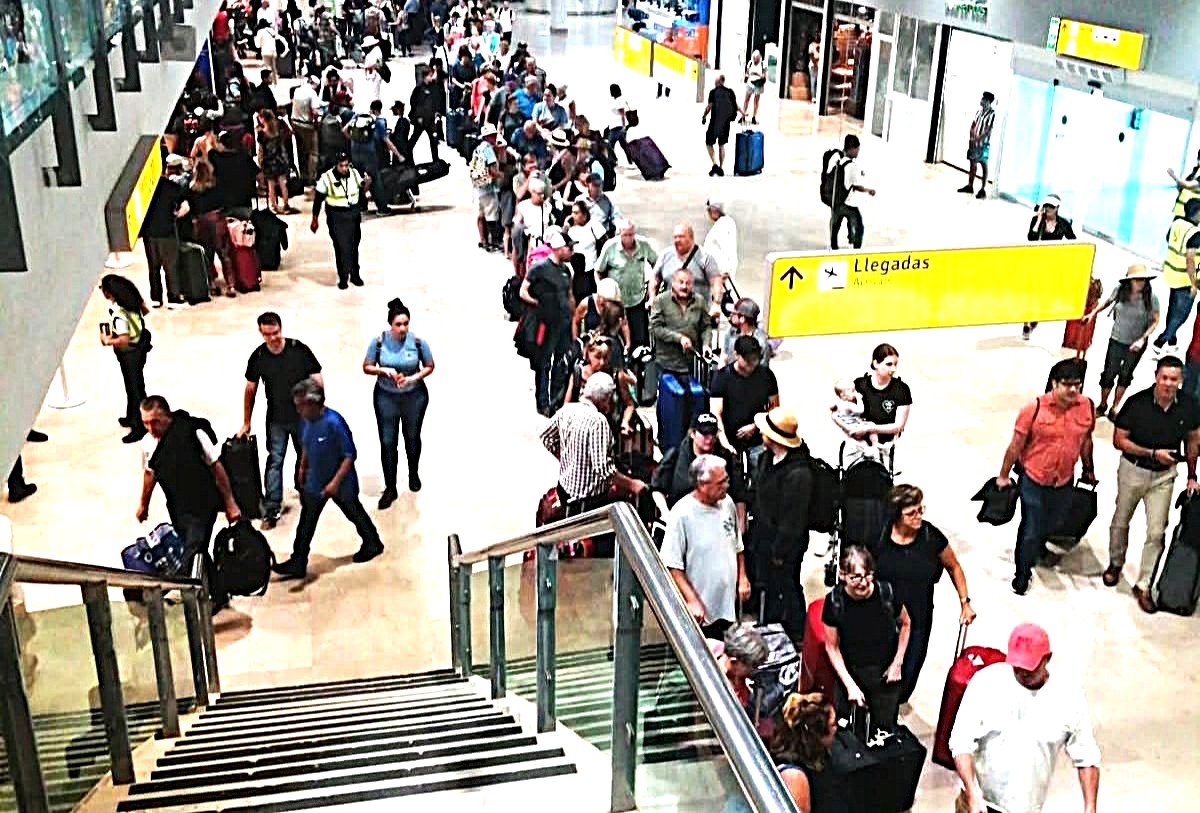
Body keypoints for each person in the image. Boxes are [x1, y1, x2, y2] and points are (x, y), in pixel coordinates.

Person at [950, 623, 1100, 813]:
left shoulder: (1068, 697)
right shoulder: (986, 682)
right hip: (978, 801)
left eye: (1029, 669)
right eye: (1016, 667)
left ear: (1047, 659)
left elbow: (1087, 757)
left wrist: (1090, 806)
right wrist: (972, 792)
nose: (1021, 673)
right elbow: (960, 741)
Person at [1102, 355, 1200, 613]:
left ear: (1181, 381)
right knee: (1120, 520)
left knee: (1157, 531)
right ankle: (1115, 563)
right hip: (1133, 470)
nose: (1168, 384)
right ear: (1156, 376)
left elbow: (1193, 440)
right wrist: (1152, 453)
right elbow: (1119, 440)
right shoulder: (1137, 404)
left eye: (1174, 379)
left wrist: (1192, 474)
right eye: (1164, 378)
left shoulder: (1189, 407)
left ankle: (1144, 584)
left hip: (1164, 477)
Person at [996, 359, 1097, 596]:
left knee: (1054, 522)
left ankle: (1039, 546)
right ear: (1054, 383)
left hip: (1064, 481)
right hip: (1033, 480)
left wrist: (1088, 468)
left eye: (1077, 385)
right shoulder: (1033, 410)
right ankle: (1022, 573)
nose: (1073, 390)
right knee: (1031, 527)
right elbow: (1015, 446)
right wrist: (1003, 475)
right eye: (1067, 384)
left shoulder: (1086, 407)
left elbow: (1086, 441)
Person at [273, 378, 385, 579]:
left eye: (300, 406)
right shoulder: (307, 421)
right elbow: (306, 444)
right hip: (315, 481)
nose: (297, 410)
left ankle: (372, 542)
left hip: (340, 483)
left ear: (313, 404)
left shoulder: (334, 423)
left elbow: (349, 455)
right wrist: (302, 467)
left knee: (354, 512)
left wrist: (335, 483)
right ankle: (298, 560)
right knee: (306, 522)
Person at [877, 484, 975, 703]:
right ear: (897, 515)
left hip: (918, 613)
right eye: (911, 513)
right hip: (883, 612)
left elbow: (954, 567)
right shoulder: (880, 534)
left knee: (910, 667)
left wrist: (964, 602)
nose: (918, 516)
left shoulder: (931, 537)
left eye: (921, 510)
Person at [136, 395, 242, 598]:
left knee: (193, 553)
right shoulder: (148, 444)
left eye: (155, 422)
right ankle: (218, 593)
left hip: (203, 503)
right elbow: (150, 474)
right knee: (198, 552)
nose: (151, 428)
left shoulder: (192, 432)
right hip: (178, 507)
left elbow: (216, 467)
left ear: (167, 417)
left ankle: (176, 591)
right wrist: (143, 505)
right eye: (145, 423)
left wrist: (230, 503)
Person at [240, 312, 323, 530]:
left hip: (302, 417)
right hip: (276, 417)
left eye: (275, 333)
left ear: (281, 329)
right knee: (275, 460)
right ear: (261, 332)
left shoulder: (298, 350)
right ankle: (272, 507)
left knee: (306, 456)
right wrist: (246, 422)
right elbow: (251, 389)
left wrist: (318, 409)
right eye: (267, 334)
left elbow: (316, 377)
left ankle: (305, 491)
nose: (273, 338)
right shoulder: (259, 357)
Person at [822, 544, 910, 733]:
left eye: (868, 575)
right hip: (851, 671)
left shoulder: (887, 593)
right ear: (842, 575)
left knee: (883, 729)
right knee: (845, 730)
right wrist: (850, 685)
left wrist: (897, 663)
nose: (863, 583)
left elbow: (906, 624)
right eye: (855, 577)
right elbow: (832, 647)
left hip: (885, 673)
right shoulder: (835, 603)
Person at [660, 454, 749, 640]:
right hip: (700, 610)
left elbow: (737, 545)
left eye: (726, 480)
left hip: (728, 604)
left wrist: (742, 577)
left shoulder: (727, 503)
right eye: (721, 483)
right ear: (702, 484)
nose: (726, 486)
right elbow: (672, 565)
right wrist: (691, 600)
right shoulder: (681, 514)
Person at [540, 372, 647, 521]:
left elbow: (545, 436)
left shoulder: (567, 410)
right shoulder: (598, 422)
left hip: (565, 491)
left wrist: (566, 458)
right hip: (588, 501)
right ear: (605, 398)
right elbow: (604, 470)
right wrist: (633, 485)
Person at [747, 407, 814, 638]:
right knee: (769, 584)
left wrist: (779, 551)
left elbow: (793, 521)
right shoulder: (767, 458)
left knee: (788, 585)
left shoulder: (799, 475)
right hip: (764, 535)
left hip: (785, 545)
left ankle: (796, 631)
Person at [362, 299, 435, 505]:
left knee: (412, 437)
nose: (403, 328)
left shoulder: (418, 342)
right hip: (386, 396)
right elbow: (367, 366)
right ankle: (390, 486)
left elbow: (429, 365)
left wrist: (413, 378)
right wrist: (383, 370)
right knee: (387, 441)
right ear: (390, 325)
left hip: (414, 396)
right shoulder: (378, 342)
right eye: (398, 324)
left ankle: (413, 473)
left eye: (405, 323)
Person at [1082, 264, 1160, 417]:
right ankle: (1103, 404)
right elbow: (1107, 302)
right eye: (1137, 280)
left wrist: (1142, 339)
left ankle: (1115, 407)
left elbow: (1155, 320)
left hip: (1136, 344)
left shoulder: (1151, 298)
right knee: (1109, 373)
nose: (1141, 283)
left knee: (1126, 375)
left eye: (1143, 280)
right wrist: (1092, 314)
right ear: (1129, 281)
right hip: (1117, 339)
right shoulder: (1120, 290)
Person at [521, 229, 576, 416]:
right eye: (569, 248)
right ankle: (542, 402)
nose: (572, 252)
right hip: (545, 324)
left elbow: (570, 296)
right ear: (559, 249)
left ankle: (556, 401)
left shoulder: (566, 271)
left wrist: (574, 319)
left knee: (561, 364)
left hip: (563, 324)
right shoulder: (539, 268)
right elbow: (523, 291)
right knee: (543, 364)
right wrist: (538, 305)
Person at [764, 692, 846, 813]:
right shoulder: (794, 776)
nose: (836, 728)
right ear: (817, 735)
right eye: (833, 724)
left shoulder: (822, 758)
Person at [650, 268, 712, 427]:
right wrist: (678, 338)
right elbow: (655, 328)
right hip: (666, 364)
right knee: (669, 403)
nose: (684, 286)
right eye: (681, 282)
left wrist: (706, 344)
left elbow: (706, 326)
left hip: (690, 364)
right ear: (673, 283)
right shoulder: (661, 301)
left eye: (688, 283)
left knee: (691, 401)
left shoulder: (699, 301)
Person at [711, 334, 780, 473]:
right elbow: (716, 413)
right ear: (736, 355)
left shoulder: (766, 376)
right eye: (748, 360)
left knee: (760, 472)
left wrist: (757, 425)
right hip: (729, 437)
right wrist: (724, 441)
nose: (752, 364)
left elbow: (774, 409)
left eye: (755, 360)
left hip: (758, 438)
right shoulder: (722, 378)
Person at [652, 412, 743, 512]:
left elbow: (739, 497)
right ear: (692, 433)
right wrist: (666, 513)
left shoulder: (727, 459)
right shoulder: (676, 455)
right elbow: (657, 488)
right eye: (704, 434)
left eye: (712, 433)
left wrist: (741, 526)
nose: (709, 438)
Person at [99, 275, 152, 443]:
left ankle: (139, 425)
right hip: (139, 347)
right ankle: (132, 416)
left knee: (134, 389)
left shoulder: (119, 314)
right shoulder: (132, 302)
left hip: (129, 353)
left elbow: (123, 339)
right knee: (135, 386)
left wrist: (107, 341)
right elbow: (145, 311)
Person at [595, 219, 657, 349]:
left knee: (640, 341)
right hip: (615, 303)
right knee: (616, 339)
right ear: (619, 234)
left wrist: (652, 294)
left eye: (631, 234)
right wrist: (602, 291)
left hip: (637, 300)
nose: (628, 238)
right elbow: (598, 271)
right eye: (624, 235)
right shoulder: (610, 247)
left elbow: (657, 265)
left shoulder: (643, 245)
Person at [311, 152, 369, 289]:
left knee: (354, 245)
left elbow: (361, 189)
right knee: (341, 247)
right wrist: (315, 219)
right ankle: (343, 277)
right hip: (336, 215)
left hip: (353, 214)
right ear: (336, 165)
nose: (344, 168)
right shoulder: (326, 178)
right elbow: (318, 199)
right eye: (341, 166)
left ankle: (355, 274)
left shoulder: (354, 173)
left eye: (346, 165)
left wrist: (366, 186)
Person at [1150, 198, 1200, 356]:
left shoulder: (1177, 223)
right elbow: (1190, 259)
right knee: (1181, 316)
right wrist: (1193, 283)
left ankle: (1172, 342)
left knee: (1173, 311)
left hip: (1172, 274)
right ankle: (1160, 342)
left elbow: (1169, 240)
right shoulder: (1195, 233)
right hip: (1185, 279)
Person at [1022, 194, 1077, 339]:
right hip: (1035, 262)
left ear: (1057, 208)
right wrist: (1039, 219)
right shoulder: (1037, 220)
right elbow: (1031, 238)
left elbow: (1073, 241)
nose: (1048, 209)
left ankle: (1035, 317)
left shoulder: (1064, 224)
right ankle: (1026, 323)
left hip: (1052, 265)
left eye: (1051, 207)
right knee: (1031, 292)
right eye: (1046, 206)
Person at [141, 161, 191, 308]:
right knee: (171, 265)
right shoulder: (171, 187)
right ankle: (173, 298)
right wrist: (175, 216)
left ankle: (156, 297)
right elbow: (185, 206)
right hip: (166, 230)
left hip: (148, 232)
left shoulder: (145, 188)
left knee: (153, 266)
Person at [347, 99, 404, 214]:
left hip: (355, 152)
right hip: (368, 154)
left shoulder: (357, 116)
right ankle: (383, 208)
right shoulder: (379, 121)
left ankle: (361, 206)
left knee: (358, 179)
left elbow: (344, 130)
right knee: (376, 180)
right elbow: (386, 140)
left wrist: (354, 141)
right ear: (380, 109)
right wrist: (398, 155)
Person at [653, 222, 723, 316]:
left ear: (691, 237)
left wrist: (716, 303)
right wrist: (652, 299)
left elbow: (716, 281)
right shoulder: (666, 255)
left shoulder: (705, 257)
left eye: (681, 237)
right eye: (675, 237)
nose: (677, 240)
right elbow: (654, 278)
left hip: (698, 314)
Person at [852, 343, 911, 448]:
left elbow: (898, 426)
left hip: (888, 444)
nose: (893, 369)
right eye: (889, 364)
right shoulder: (859, 385)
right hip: (859, 442)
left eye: (895, 364)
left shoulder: (901, 389)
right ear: (876, 363)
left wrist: (871, 428)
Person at [829, 135, 875, 250]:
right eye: (857, 149)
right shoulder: (852, 166)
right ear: (852, 149)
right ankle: (856, 249)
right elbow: (856, 185)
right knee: (859, 226)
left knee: (835, 226)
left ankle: (834, 247)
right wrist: (868, 190)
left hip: (836, 201)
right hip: (847, 203)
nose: (858, 152)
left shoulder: (838, 161)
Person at [257, 109, 299, 214]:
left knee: (271, 186)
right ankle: (286, 204)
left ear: (263, 119)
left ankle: (274, 206)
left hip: (268, 162)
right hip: (279, 160)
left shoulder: (262, 134)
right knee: (283, 184)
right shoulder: (277, 130)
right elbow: (282, 147)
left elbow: (261, 150)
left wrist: (260, 162)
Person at [470, 123, 504, 252]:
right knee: (492, 216)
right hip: (488, 189)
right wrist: (502, 175)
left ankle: (483, 240)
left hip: (477, 187)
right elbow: (493, 170)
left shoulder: (477, 149)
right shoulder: (488, 149)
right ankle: (494, 242)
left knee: (480, 215)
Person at [957, 92, 996, 199]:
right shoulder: (979, 112)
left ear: (988, 101)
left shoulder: (992, 114)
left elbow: (987, 131)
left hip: (983, 144)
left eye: (983, 98)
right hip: (974, 143)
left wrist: (977, 139)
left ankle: (983, 189)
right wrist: (972, 137)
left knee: (984, 164)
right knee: (972, 163)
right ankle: (970, 186)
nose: (981, 100)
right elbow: (973, 125)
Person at [701, 74, 741, 177]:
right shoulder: (730, 92)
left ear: (720, 82)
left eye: (716, 82)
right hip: (725, 123)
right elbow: (735, 105)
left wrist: (704, 116)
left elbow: (709, 107)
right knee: (721, 145)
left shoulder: (713, 92)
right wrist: (743, 113)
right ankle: (721, 168)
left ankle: (715, 164)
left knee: (709, 143)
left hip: (714, 123)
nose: (714, 83)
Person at [722, 297, 771, 367]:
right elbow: (724, 356)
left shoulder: (761, 343)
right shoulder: (731, 331)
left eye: (734, 313)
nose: (730, 315)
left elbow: (763, 372)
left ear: (742, 319)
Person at [290, 74, 321, 186]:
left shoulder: (297, 90)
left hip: (295, 123)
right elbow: (315, 112)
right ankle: (311, 177)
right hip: (307, 125)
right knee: (313, 153)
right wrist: (316, 124)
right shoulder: (312, 94)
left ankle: (302, 175)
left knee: (301, 151)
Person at [408, 66, 441, 162]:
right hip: (421, 120)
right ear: (424, 77)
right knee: (414, 139)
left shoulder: (433, 87)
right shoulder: (418, 89)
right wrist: (417, 117)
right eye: (429, 76)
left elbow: (436, 101)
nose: (431, 78)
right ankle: (408, 159)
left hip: (430, 120)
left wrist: (437, 114)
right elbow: (414, 103)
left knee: (433, 140)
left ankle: (436, 160)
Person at [703, 198, 738, 287]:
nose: (708, 214)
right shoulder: (724, 223)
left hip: (722, 276)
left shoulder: (724, 224)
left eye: (709, 210)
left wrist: (725, 272)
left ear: (715, 211)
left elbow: (727, 248)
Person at [606, 83, 633, 164]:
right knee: (624, 146)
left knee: (610, 146)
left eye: (611, 90)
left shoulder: (618, 101)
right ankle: (630, 161)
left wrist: (623, 127)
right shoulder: (620, 100)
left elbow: (622, 114)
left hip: (617, 128)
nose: (610, 92)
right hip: (616, 127)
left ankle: (612, 161)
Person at [740, 50, 766, 125]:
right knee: (746, 99)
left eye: (756, 58)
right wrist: (746, 76)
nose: (754, 60)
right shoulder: (750, 63)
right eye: (753, 58)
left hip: (758, 84)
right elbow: (747, 73)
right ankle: (743, 115)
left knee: (756, 101)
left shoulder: (762, 64)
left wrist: (757, 74)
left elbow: (764, 76)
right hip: (750, 83)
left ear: (759, 58)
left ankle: (754, 117)